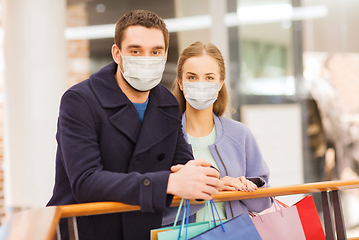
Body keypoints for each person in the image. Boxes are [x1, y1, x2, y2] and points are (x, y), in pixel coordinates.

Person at [47, 11, 223, 240]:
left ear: (165, 54)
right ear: (117, 54)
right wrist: (169, 183)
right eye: (136, 51)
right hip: (86, 230)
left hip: (142, 229)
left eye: (155, 52)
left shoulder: (166, 103)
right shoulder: (80, 100)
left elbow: (181, 163)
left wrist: (207, 176)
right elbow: (86, 181)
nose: (146, 59)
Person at [164, 41, 272, 224]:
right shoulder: (162, 136)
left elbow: (264, 202)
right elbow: (154, 209)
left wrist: (245, 189)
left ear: (220, 83)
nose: (200, 84)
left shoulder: (240, 134)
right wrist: (215, 189)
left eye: (209, 78)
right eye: (192, 77)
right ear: (181, 83)